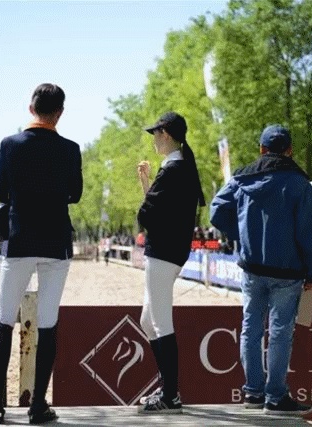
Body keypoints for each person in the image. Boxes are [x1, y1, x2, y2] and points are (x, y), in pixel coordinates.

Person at [0, 83, 83, 424]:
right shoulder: (71, 149)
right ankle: (38, 404)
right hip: (55, 243)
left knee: (4, 318)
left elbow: (1, 192)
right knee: (48, 322)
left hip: (20, 239)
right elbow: (76, 194)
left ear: (31, 108)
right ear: (60, 113)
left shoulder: (10, 145)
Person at [210, 124, 312, 416]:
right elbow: (309, 233)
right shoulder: (300, 184)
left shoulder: (241, 179)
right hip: (288, 272)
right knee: (280, 334)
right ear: (290, 151)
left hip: (252, 269)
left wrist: (242, 233)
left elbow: (216, 211)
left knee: (251, 329)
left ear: (261, 150)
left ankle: (253, 392)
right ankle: (275, 397)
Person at [136, 111, 205, 414]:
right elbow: (157, 210)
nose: (154, 139)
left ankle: (171, 395)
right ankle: (167, 388)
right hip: (170, 251)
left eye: (155, 134)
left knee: (160, 322)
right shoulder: (182, 167)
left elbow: (147, 214)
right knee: (147, 321)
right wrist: (147, 184)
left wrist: (147, 188)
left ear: (165, 133)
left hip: (163, 252)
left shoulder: (173, 170)